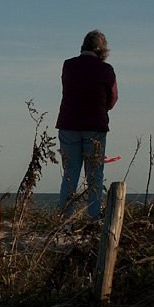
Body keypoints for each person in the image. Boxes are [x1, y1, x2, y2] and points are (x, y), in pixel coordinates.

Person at [55, 29, 118, 219]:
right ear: (103, 50)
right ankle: (93, 218)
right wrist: (102, 108)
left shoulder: (68, 65)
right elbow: (113, 98)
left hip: (68, 124)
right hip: (95, 125)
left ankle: (65, 221)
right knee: (94, 176)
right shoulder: (106, 70)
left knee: (70, 174)